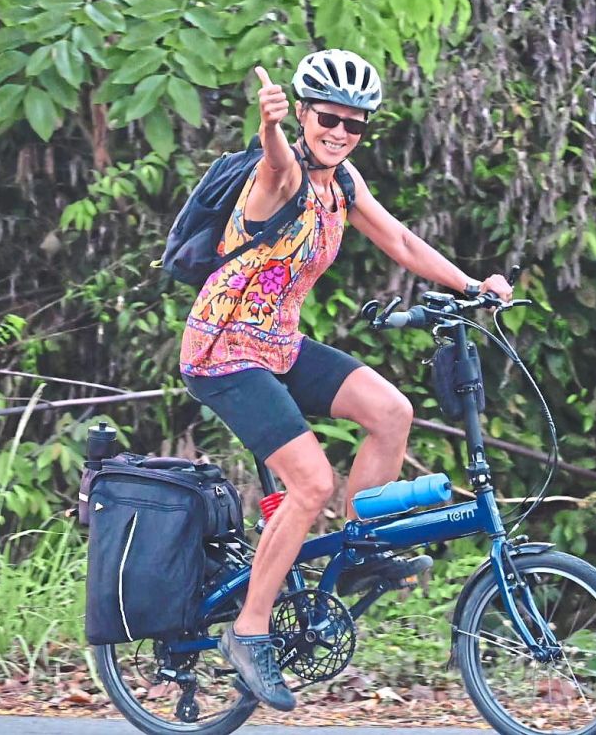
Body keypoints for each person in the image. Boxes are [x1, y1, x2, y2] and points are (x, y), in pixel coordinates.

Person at [179, 49, 514, 711]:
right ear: (305, 114)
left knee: (391, 412)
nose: (338, 132)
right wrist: (270, 126)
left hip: (278, 343)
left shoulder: (345, 183)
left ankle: (359, 546)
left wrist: (475, 285)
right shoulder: (277, 174)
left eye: (353, 124)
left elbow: (405, 245)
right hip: (223, 351)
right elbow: (275, 161)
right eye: (327, 118)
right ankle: (249, 631)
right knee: (311, 482)